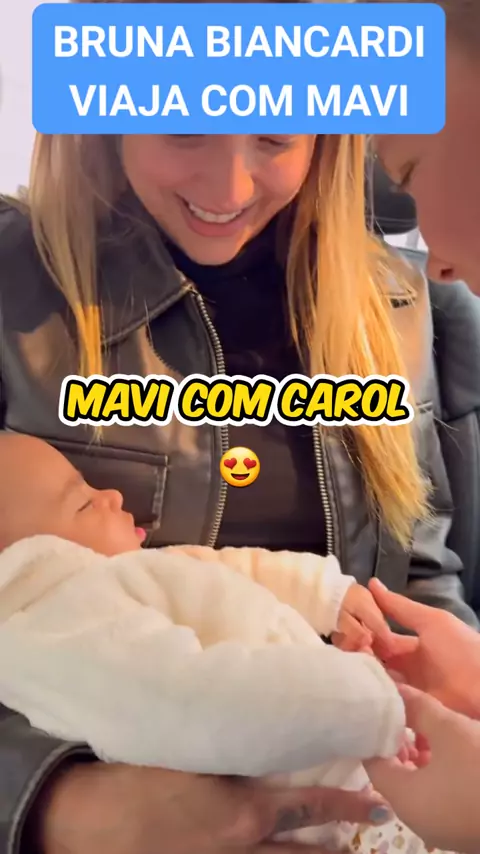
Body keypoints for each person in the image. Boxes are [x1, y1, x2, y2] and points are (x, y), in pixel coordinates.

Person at [0, 2, 477, 851]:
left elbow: (420, 579)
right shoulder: (12, 282)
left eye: (274, 137)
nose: (229, 190)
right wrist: (61, 803)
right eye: (183, 128)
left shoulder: (399, 302)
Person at [0, 433, 446, 854]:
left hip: (359, 742)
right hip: (324, 807)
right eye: (83, 503)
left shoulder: (126, 573)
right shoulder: (69, 622)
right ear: (29, 558)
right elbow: (192, 699)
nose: (113, 495)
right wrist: (372, 702)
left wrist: (323, 592)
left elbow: (222, 570)